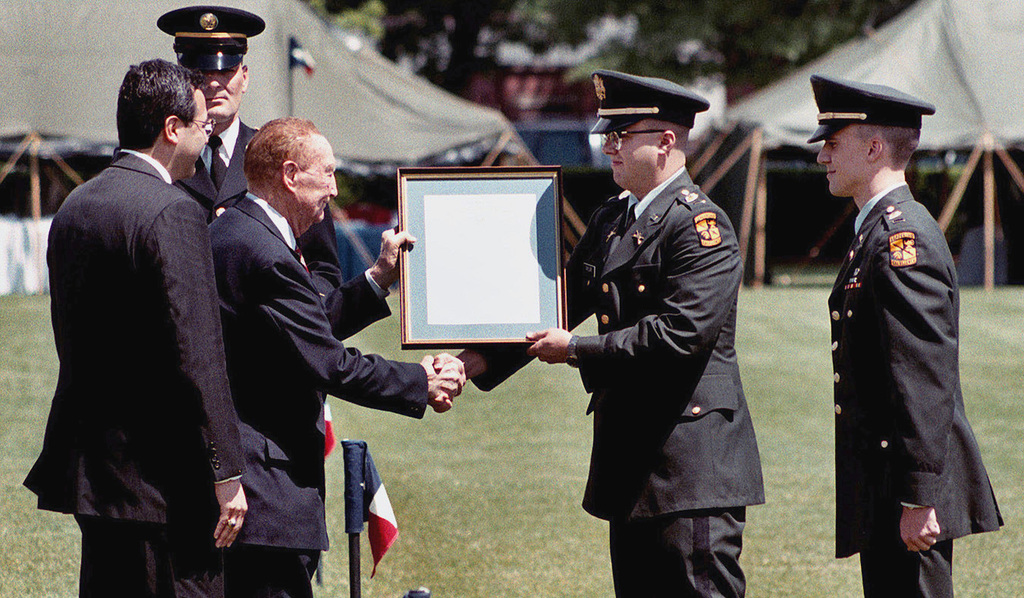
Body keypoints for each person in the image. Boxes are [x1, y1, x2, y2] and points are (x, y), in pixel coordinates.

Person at [460, 70, 764, 597]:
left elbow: (679, 334)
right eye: (608, 134)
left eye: (622, 135)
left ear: (667, 141)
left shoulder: (700, 227)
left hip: (689, 469)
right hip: (631, 467)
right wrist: (471, 362)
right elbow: (556, 304)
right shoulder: (612, 219)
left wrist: (576, 350)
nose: (607, 146)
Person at [208, 117, 465, 598]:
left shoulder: (243, 229)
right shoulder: (263, 250)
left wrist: (377, 279)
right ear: (290, 175)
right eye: (325, 173)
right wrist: (420, 383)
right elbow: (327, 362)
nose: (333, 187)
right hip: (265, 490)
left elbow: (302, 328)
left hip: (256, 485)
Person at [24, 59, 247, 598]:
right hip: (163, 483)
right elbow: (197, 351)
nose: (207, 133)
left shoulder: (77, 205)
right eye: (201, 125)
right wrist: (228, 472)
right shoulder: (172, 210)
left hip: (94, 473)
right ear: (172, 129)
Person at [809, 74, 1002, 597]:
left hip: (907, 491)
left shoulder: (901, 239)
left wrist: (919, 498)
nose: (823, 157)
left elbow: (922, 376)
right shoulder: (876, 232)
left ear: (873, 148)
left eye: (832, 144)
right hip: (886, 483)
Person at [158, 5, 408, 340]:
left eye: (226, 69)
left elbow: (322, 272)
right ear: (181, 78)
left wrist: (296, 316)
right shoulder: (158, 158)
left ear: (244, 77)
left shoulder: (281, 158)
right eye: (200, 72)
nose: (214, 82)